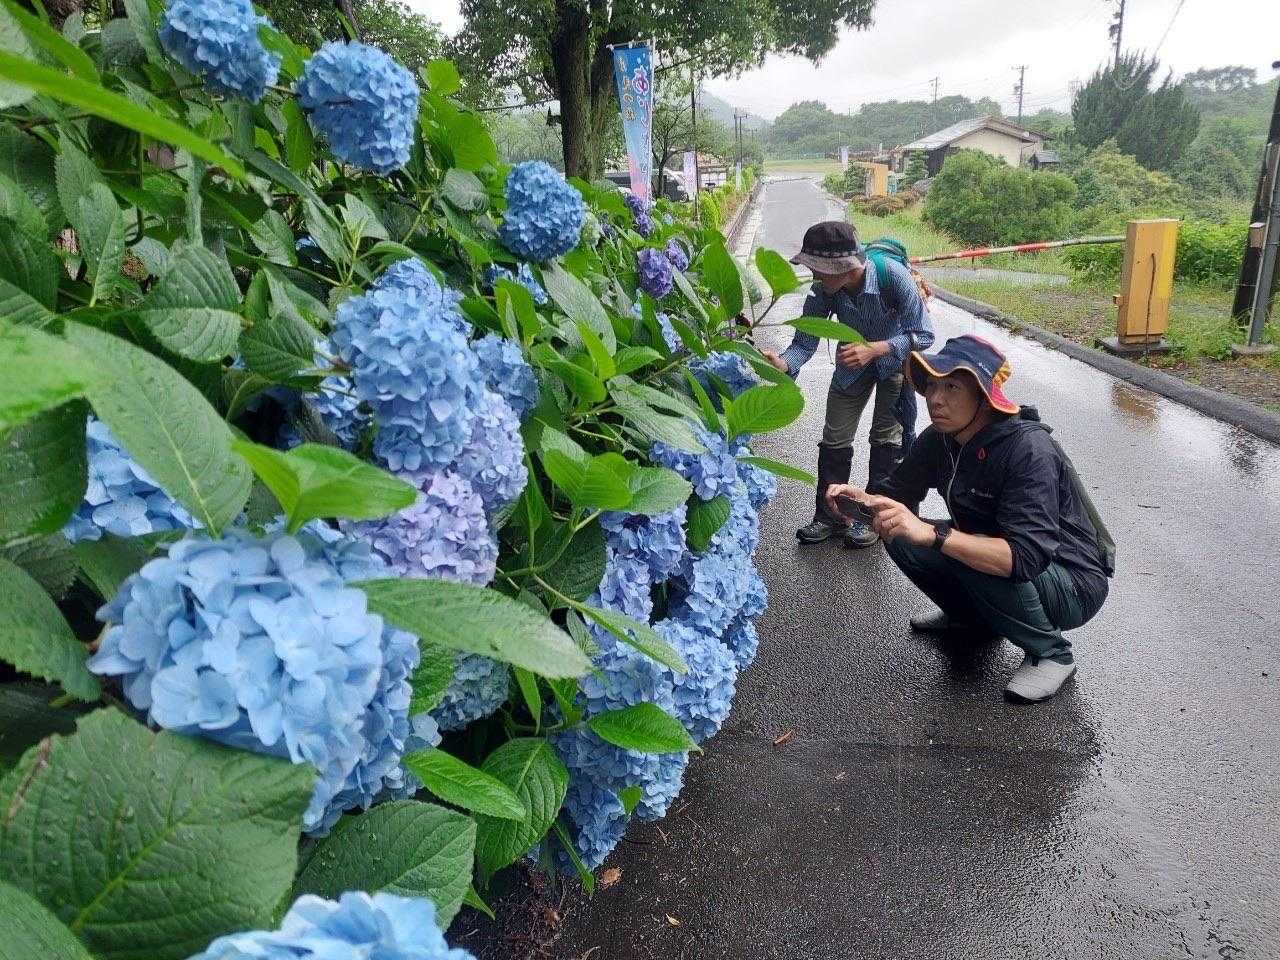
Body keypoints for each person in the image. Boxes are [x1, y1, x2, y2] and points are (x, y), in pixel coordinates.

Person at [825, 335, 1111, 703]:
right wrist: (864, 501)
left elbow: (1024, 557)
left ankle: (1051, 652)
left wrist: (936, 536)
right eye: (931, 386)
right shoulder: (939, 438)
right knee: (897, 531)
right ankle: (971, 621)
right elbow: (898, 496)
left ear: (984, 396)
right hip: (1003, 560)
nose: (935, 399)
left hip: (1071, 582)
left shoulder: (1027, 450)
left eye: (952, 387)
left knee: (958, 549)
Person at [762, 220, 934, 548]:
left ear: (843, 267)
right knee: (834, 438)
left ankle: (872, 519)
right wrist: (783, 364)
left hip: (894, 364)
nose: (813, 274)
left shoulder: (892, 277)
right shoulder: (823, 290)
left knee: (885, 439)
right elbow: (804, 342)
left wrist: (877, 348)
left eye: (817, 267)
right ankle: (830, 515)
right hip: (850, 368)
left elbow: (924, 334)